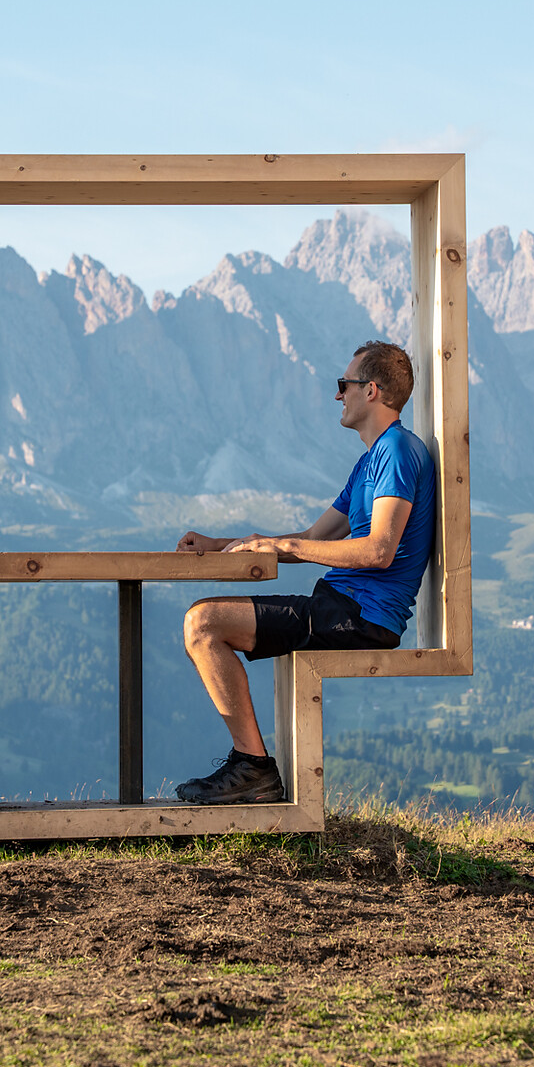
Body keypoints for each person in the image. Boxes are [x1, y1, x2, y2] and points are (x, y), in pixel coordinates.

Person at [172, 340, 436, 804]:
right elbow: (316, 535)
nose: (339, 396)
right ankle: (250, 765)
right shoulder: (371, 460)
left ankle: (252, 768)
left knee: (203, 624)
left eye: (344, 385)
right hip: (341, 606)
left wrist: (288, 545)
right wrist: (224, 545)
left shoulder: (396, 451)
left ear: (371, 390)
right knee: (202, 619)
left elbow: (379, 551)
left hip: (362, 615)